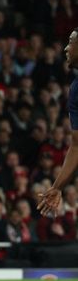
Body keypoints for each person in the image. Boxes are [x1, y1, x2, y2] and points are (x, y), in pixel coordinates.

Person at [39, 27, 78, 216]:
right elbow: (77, 145)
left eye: (71, 42)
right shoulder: (76, 90)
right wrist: (57, 187)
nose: (65, 48)